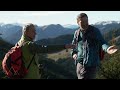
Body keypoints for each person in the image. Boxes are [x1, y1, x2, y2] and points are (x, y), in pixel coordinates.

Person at [71, 13, 118, 79]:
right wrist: (74, 53)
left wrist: (107, 49)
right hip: (79, 64)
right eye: (82, 22)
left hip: (91, 65)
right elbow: (74, 45)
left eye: (86, 21)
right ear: (78, 22)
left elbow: (102, 42)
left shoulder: (94, 31)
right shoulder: (77, 33)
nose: (85, 23)